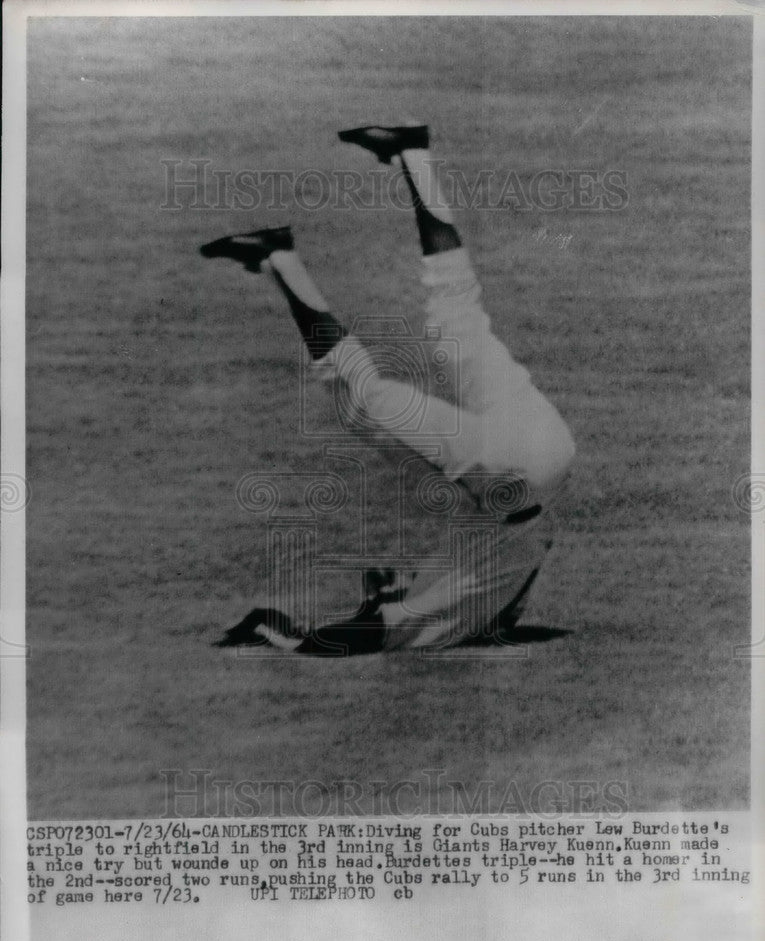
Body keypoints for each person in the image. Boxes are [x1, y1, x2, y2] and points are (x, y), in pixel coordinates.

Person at [200, 125, 575, 654]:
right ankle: (278, 257)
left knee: (457, 321)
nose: (376, 593)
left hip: (548, 451)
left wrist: (378, 599)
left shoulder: (473, 592)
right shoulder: (436, 622)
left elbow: (498, 596)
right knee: (362, 402)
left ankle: (411, 152)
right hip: (513, 474)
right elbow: (367, 633)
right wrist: (284, 638)